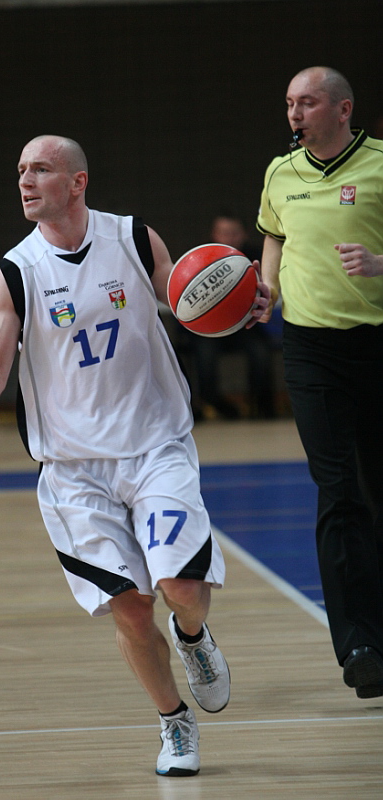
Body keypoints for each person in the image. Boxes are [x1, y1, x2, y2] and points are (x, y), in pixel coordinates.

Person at [0, 134, 268, 776]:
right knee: (131, 607)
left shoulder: (132, 238)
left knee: (183, 590)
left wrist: (242, 306)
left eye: (40, 169)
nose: (25, 181)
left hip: (155, 444)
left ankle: (193, 637)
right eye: (20, 170)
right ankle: (174, 722)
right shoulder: (16, 272)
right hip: (75, 470)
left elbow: (191, 301)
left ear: (78, 182)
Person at [257, 67, 383, 699]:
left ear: (343, 109)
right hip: (310, 349)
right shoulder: (281, 172)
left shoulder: (381, 164)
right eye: (289, 103)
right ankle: (360, 645)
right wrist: (266, 289)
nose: (294, 113)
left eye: (306, 102)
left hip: (377, 341)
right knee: (338, 492)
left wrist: (381, 264)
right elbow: (273, 238)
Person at [180, 213, 276, 420]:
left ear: (245, 234)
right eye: (224, 233)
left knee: (260, 351)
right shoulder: (200, 258)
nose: (229, 238)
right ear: (214, 235)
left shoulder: (256, 258)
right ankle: (210, 404)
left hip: (245, 325)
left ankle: (261, 407)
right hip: (209, 327)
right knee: (204, 354)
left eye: (234, 233)